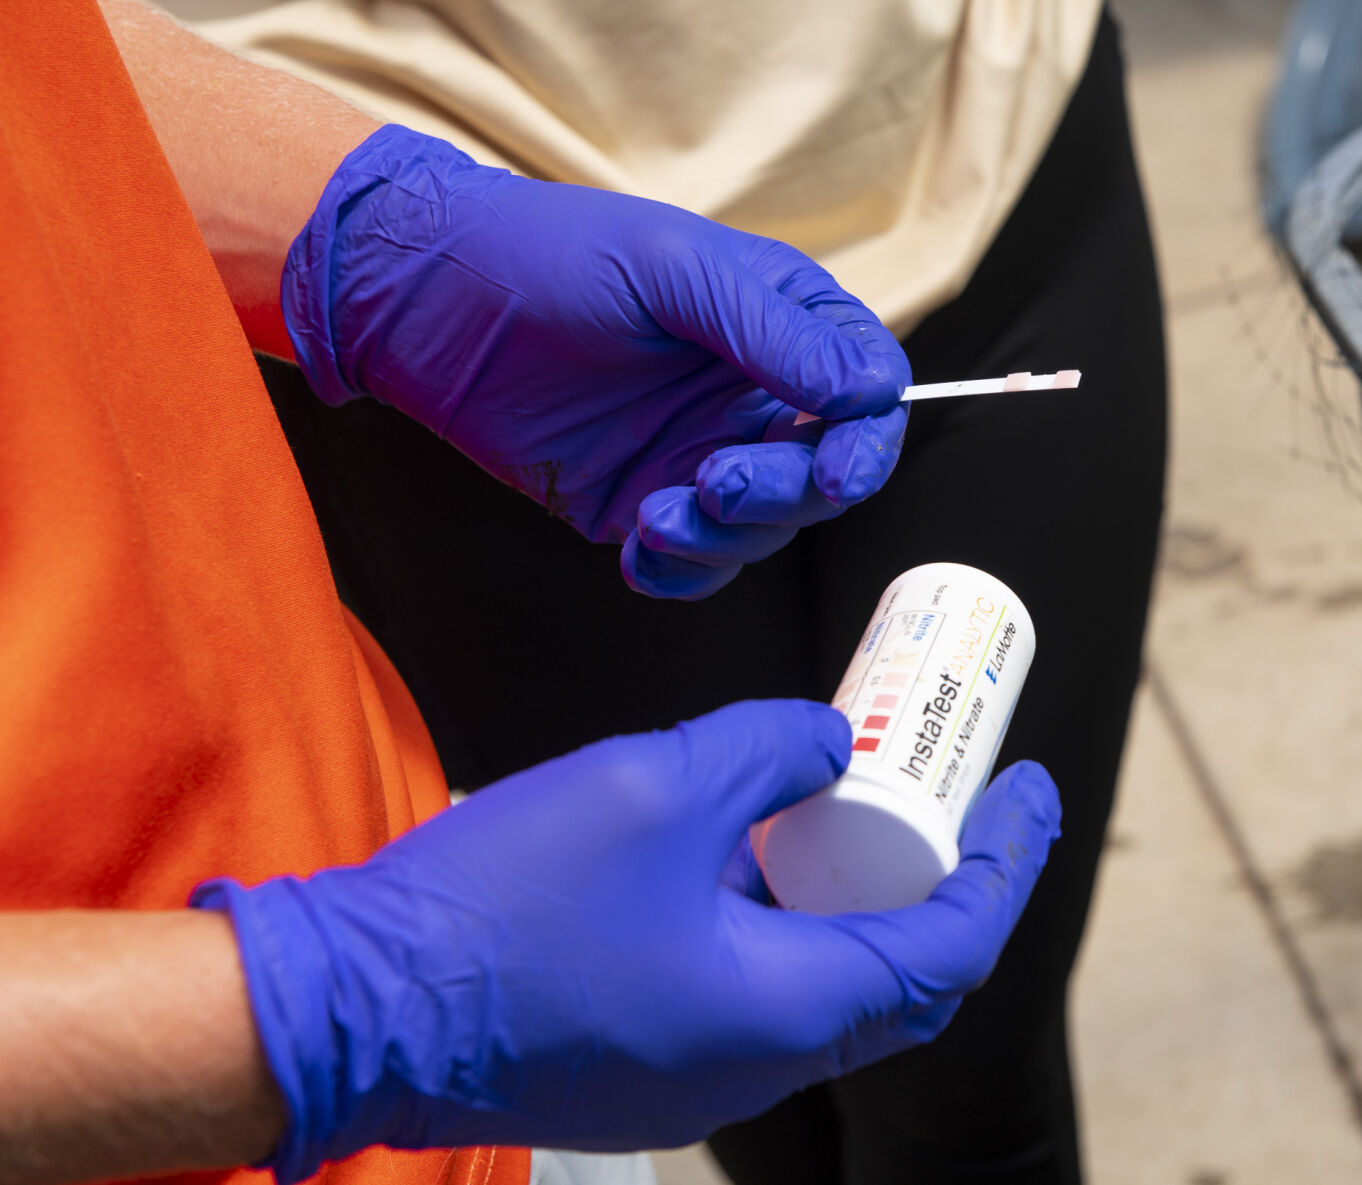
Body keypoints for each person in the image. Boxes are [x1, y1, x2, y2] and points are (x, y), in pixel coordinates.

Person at [0, 3, 1061, 1184]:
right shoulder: (389, 1010)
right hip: (281, 1091)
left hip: (429, 1001)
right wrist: (337, 1014)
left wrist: (363, 232)